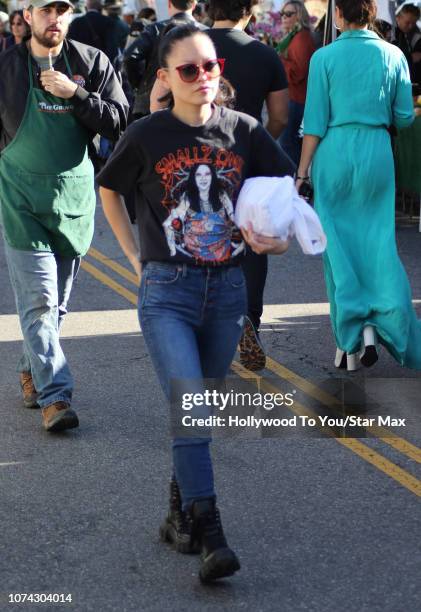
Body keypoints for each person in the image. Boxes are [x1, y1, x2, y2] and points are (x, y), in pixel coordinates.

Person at [97, 24, 293, 583]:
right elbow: (110, 189)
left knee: (200, 411)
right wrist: (135, 257)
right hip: (167, 294)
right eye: (189, 70)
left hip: (228, 291)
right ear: (165, 77)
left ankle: (176, 511)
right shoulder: (147, 134)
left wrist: (272, 239)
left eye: (211, 67)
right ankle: (211, 532)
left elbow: (285, 197)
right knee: (192, 411)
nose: (204, 78)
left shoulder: (246, 132)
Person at [0, 0, 128, 432]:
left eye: (62, 10)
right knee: (38, 301)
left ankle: (29, 368)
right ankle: (57, 396)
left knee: (56, 307)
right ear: (28, 15)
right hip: (20, 198)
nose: (55, 18)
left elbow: (118, 121)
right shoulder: (6, 68)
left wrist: (76, 95)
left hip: (73, 199)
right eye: (46, 10)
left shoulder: (92, 63)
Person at [297, 0, 421, 371]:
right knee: (378, 245)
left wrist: (302, 173)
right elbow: (403, 116)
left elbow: (314, 122)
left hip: (334, 153)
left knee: (338, 248)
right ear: (372, 14)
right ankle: (383, 326)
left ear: (338, 15)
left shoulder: (324, 57)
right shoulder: (393, 53)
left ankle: (353, 333)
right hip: (376, 153)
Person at [205, 0, 291, 372]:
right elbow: (281, 116)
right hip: (247, 162)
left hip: (196, 157)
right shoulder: (264, 54)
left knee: (202, 239)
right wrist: (257, 141)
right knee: (252, 241)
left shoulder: (190, 45)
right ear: (250, 14)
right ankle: (249, 321)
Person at [124, 0, 206, 120]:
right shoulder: (205, 31)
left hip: (151, 102)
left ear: (169, 4)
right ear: (194, 5)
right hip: (193, 102)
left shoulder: (154, 28)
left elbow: (129, 57)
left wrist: (140, 84)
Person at [278, 1, 315, 165]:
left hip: (298, 99)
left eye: (289, 14)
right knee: (291, 141)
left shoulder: (301, 38)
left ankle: (296, 180)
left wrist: (278, 61)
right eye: (282, 14)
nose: (284, 18)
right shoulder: (295, 35)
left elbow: (298, 73)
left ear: (299, 15)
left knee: (287, 142)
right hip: (295, 97)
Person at [393, 3, 421, 84]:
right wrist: (410, 58)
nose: (410, 26)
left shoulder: (411, 34)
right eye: (407, 22)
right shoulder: (392, 35)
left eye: (414, 23)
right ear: (398, 18)